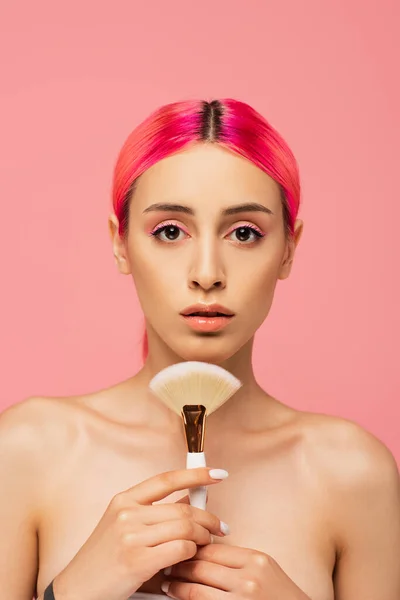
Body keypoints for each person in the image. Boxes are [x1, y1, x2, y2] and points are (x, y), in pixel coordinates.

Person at [1, 98, 399, 600]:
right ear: (120, 242)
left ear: (289, 249)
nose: (207, 273)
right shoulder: (28, 450)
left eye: (244, 233)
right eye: (170, 231)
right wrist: (74, 592)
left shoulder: (352, 473)